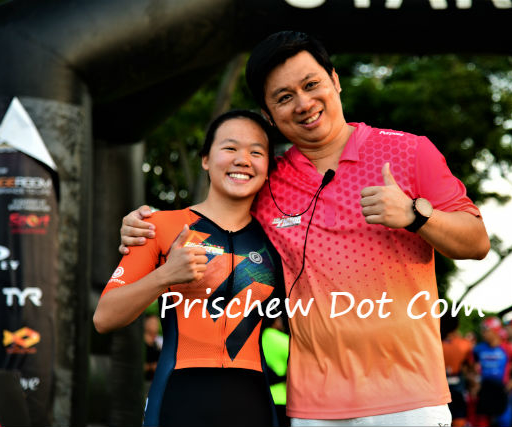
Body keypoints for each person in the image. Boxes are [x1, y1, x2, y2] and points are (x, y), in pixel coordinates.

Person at [119, 31, 491, 426]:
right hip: (313, 408)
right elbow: (212, 215)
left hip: (410, 399)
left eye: (311, 84)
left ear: (335, 80)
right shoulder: (267, 180)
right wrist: (146, 223)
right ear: (268, 115)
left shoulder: (409, 151)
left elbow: (477, 242)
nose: (303, 104)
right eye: (284, 97)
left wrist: (416, 216)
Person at [94, 110, 284, 427]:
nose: (243, 160)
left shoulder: (278, 240)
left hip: (254, 402)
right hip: (178, 398)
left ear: (267, 169)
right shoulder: (159, 226)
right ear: (205, 159)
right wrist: (164, 276)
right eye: (230, 148)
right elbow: (104, 318)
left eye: (256, 152)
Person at [472, 317, 512, 427]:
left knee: (504, 422)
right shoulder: (478, 349)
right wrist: (474, 381)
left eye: (486, 330)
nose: (483, 333)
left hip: (502, 391)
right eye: (482, 330)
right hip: (485, 391)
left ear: (495, 331)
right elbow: (471, 366)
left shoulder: (508, 348)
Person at [441, 313, 474, 427]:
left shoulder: (436, 343)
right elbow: (470, 366)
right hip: (458, 387)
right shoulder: (465, 344)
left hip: (439, 388)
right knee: (459, 418)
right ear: (457, 326)